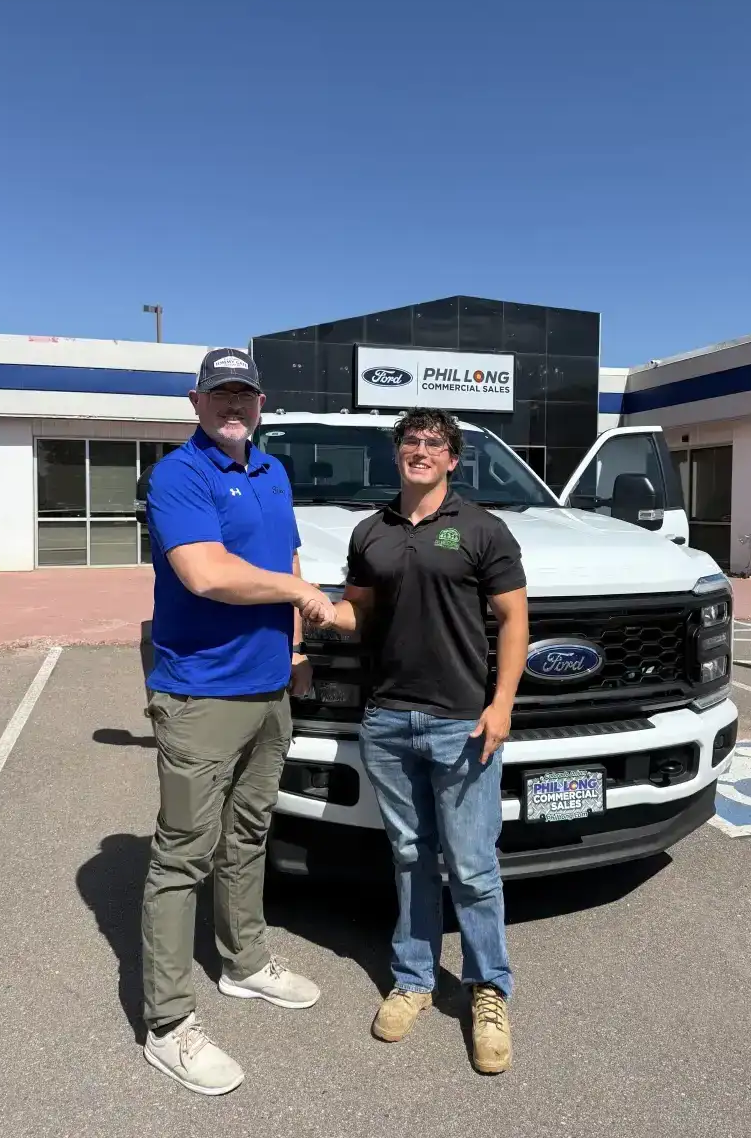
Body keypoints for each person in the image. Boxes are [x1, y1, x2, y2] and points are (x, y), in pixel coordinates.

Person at [304, 407, 529, 1074]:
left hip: (462, 723)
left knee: (472, 865)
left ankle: (489, 991)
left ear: (453, 459)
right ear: (397, 453)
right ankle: (414, 980)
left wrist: (502, 705)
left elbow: (515, 619)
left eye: (434, 443)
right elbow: (358, 611)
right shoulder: (370, 532)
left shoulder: (482, 528)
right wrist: (315, 608)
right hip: (387, 721)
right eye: (411, 440)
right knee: (409, 855)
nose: (420, 450)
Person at [141, 347, 336, 1096]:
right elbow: (205, 572)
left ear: (261, 404)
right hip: (201, 695)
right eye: (219, 394)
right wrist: (298, 593)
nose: (233, 406)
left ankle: (245, 962)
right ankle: (168, 1024)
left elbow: (285, 554)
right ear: (195, 402)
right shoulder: (178, 475)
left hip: (268, 689)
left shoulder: (272, 470)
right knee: (182, 858)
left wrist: (295, 647)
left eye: (244, 395)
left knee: (249, 833)